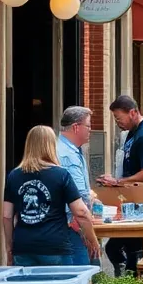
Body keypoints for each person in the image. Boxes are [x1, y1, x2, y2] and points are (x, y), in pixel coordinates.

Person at [1, 125, 100, 266]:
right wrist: (93, 240)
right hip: (55, 245)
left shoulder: (14, 176)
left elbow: (7, 215)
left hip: (23, 247)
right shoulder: (61, 175)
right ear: (51, 145)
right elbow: (81, 212)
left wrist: (9, 246)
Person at [99, 95, 143, 275]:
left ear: (133, 112)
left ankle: (132, 279)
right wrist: (114, 180)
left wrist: (118, 181)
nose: (117, 123)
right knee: (116, 246)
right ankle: (127, 275)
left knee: (128, 248)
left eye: (119, 118)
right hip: (132, 197)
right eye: (115, 119)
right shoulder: (132, 133)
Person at [55, 106, 98, 266]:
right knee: (85, 274)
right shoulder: (68, 155)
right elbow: (79, 197)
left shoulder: (71, 150)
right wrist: (87, 232)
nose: (90, 130)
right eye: (88, 125)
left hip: (72, 224)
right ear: (75, 127)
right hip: (73, 226)